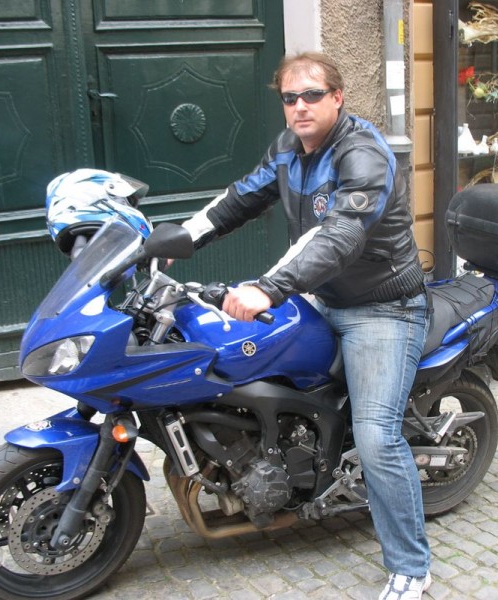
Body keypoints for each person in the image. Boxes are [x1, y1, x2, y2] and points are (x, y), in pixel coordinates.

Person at [180, 51, 432, 600]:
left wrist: (269, 288)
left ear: (337, 97)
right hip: (320, 294)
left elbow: (342, 234)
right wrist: (177, 239)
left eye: (312, 95)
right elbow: (239, 198)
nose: (300, 106)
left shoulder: (363, 153)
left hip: (382, 307)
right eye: (290, 98)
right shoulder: (288, 148)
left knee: (377, 436)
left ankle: (411, 566)